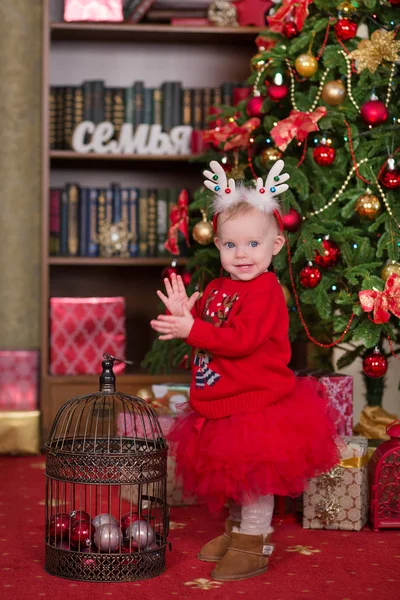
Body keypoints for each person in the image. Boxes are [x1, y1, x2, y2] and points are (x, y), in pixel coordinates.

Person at [150, 160, 339, 582]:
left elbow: (240, 341)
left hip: (256, 402)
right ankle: (235, 530)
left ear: (275, 245)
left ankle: (253, 541)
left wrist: (192, 328)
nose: (241, 254)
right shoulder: (219, 287)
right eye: (230, 245)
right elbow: (209, 324)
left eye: (253, 244)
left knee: (253, 475)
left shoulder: (266, 291)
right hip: (221, 401)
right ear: (216, 244)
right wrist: (187, 313)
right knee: (230, 472)